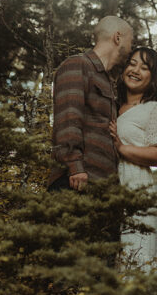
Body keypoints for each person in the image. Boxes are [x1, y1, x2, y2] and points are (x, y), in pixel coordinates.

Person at [109, 46, 157, 273]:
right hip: (108, 187)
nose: (136, 70)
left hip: (138, 188)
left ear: (153, 77)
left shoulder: (156, 109)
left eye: (144, 67)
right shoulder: (112, 106)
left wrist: (122, 148)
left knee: (136, 255)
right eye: (132, 63)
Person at [48, 16, 134, 192]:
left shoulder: (107, 81)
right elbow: (68, 120)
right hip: (75, 181)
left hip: (101, 185)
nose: (132, 48)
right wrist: (75, 167)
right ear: (117, 38)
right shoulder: (77, 64)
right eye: (131, 41)